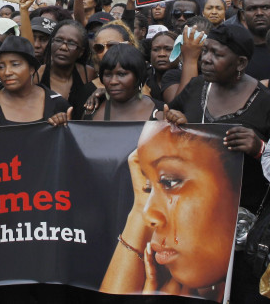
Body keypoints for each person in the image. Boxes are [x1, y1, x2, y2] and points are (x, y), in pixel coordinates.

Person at [165, 24, 270, 303]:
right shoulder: (198, 86)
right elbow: (167, 118)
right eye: (206, 51)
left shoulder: (265, 103)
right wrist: (173, 121)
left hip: (242, 236)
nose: (207, 59)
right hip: (191, 227)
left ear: (241, 63)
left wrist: (259, 148)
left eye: (217, 54)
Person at [101, 122, 241, 302]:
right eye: (149, 186)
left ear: (236, 186)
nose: (148, 215)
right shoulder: (167, 285)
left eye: (170, 182)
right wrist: (138, 205)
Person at [0, 36, 70, 126]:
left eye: (15, 64)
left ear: (31, 69)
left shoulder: (57, 103)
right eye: (1, 67)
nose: (7, 72)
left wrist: (62, 123)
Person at [83, 44, 162, 121]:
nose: (113, 82)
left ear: (138, 75)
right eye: (108, 74)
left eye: (121, 74)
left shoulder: (160, 114)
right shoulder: (92, 110)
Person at [37, 20, 96, 120]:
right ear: (52, 43)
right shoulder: (38, 74)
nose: (63, 47)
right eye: (59, 40)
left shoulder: (88, 74)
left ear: (81, 52)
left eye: (72, 43)